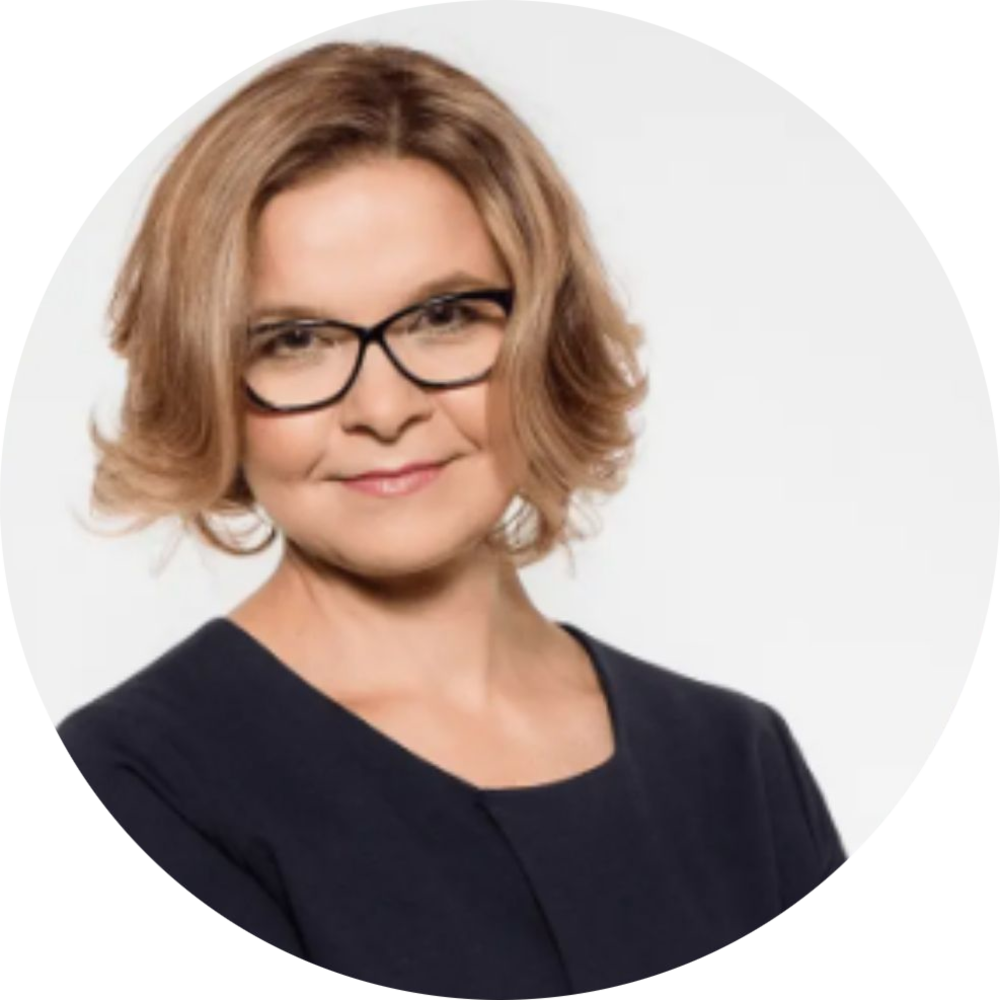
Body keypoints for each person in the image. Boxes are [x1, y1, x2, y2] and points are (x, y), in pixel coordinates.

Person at [55, 41, 847, 994]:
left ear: (543, 336)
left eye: (443, 317)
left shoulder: (734, 764)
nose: (384, 409)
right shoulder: (135, 785)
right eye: (295, 339)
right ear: (209, 382)